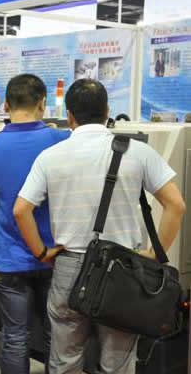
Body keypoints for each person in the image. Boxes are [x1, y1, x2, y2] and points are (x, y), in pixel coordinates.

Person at [14, 79, 186, 374]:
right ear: (107, 111)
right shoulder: (138, 152)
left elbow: (21, 210)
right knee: (117, 363)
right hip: (123, 271)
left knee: (65, 360)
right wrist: (155, 254)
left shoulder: (50, 156)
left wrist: (42, 252)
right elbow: (176, 205)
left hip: (69, 267)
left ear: (70, 115)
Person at [0, 74, 70, 374]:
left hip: (10, 256)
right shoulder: (61, 140)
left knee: (15, 337)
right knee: (56, 337)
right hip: (54, 254)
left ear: (5, 104)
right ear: (42, 103)